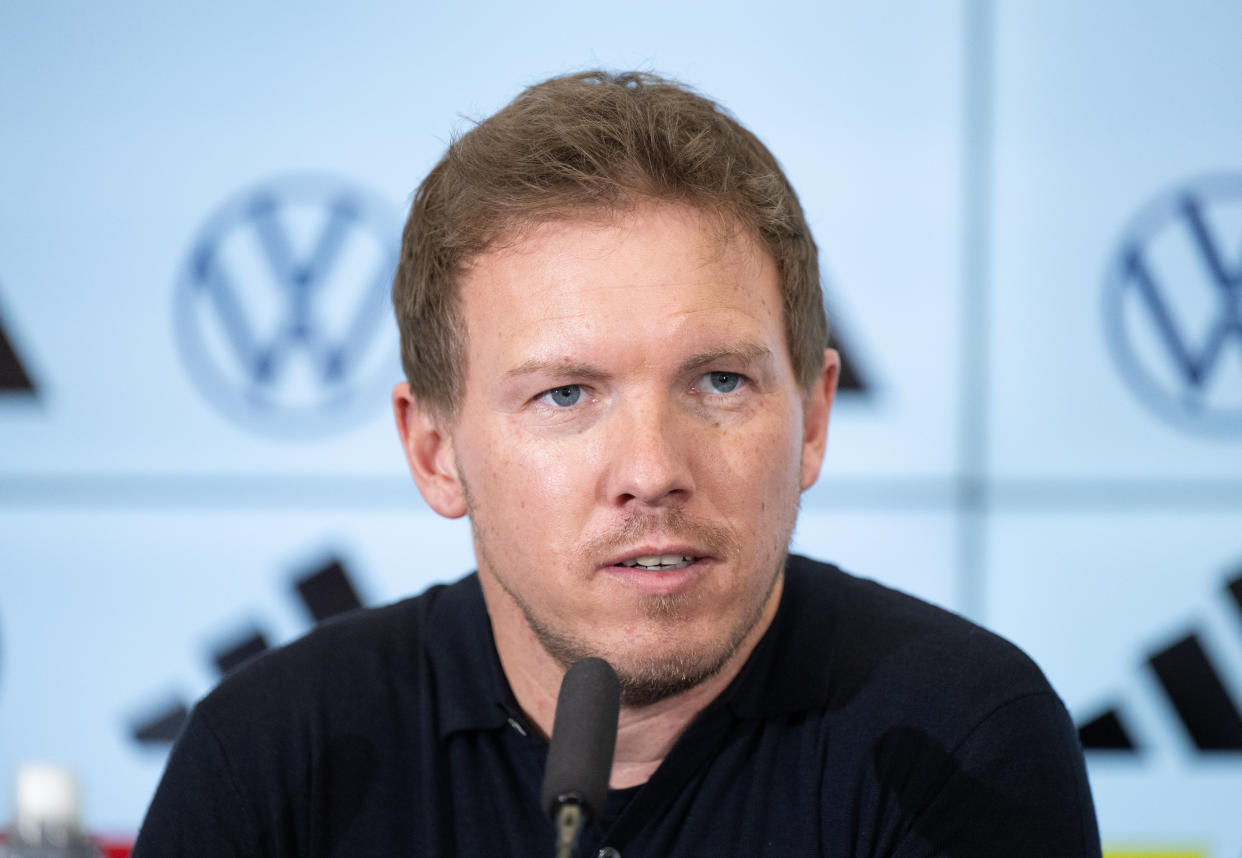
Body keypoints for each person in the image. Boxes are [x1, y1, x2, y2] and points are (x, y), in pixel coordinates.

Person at [133, 70, 1100, 857]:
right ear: (434, 452)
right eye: (566, 395)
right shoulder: (272, 756)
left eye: (719, 382)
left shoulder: (962, 737)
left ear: (811, 420)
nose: (650, 470)